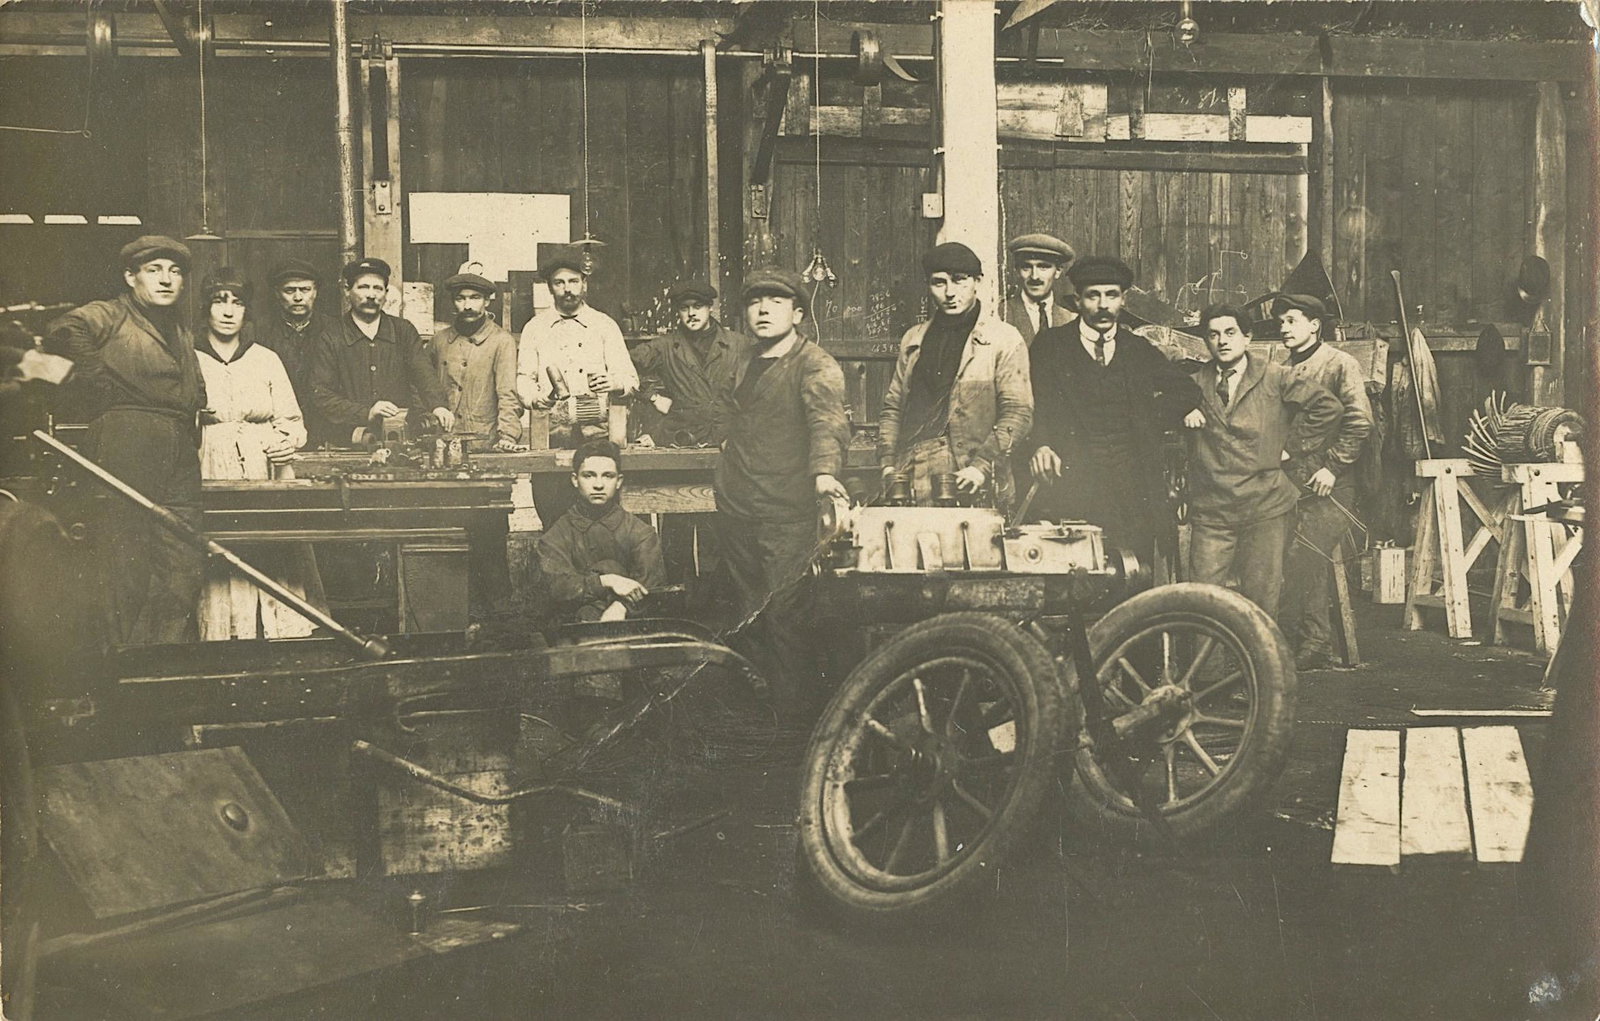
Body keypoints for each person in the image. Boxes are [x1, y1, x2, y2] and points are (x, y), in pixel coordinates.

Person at [47, 235, 207, 644]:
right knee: (124, 556)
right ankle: (121, 661)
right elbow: (64, 329)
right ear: (130, 277)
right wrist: (98, 382)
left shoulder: (178, 327)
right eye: (154, 270)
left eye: (174, 272)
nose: (166, 279)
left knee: (183, 558)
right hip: (128, 438)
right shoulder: (112, 313)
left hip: (179, 445)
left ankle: (159, 656)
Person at [715, 267, 849, 713]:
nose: (763, 310)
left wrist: (824, 474)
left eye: (776, 302)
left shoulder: (815, 364)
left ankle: (793, 722)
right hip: (738, 507)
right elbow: (726, 410)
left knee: (786, 617)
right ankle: (758, 717)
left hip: (787, 512)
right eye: (755, 302)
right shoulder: (742, 360)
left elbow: (828, 424)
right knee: (746, 614)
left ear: (797, 313)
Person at [1023, 255, 1201, 567]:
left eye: (1111, 295)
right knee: (1075, 575)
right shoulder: (1050, 346)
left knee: (1133, 574)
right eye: (1093, 295)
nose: (1103, 305)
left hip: (1132, 489)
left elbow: (1188, 391)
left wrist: (1144, 420)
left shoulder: (1137, 349)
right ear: (1078, 300)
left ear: (1123, 300)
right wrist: (1042, 444)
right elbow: (1032, 403)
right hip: (1073, 486)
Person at [1183, 303, 1342, 616]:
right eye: (1213, 335)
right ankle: (1209, 652)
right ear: (1206, 341)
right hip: (1212, 509)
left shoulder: (1275, 376)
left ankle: (1260, 650)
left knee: (1261, 602)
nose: (1222, 341)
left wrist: (1290, 447)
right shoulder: (1194, 384)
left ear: (1247, 337)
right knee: (1203, 604)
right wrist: (1182, 408)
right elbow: (1157, 406)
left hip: (1265, 506)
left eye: (1230, 332)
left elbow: (1328, 408)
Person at [192, 268, 320, 640]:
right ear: (206, 308)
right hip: (210, 463)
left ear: (247, 310)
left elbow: (292, 420)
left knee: (271, 548)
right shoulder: (189, 358)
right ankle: (228, 633)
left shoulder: (265, 358)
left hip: (265, 466)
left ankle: (277, 631)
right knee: (221, 550)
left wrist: (286, 442)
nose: (228, 311)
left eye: (237, 302)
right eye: (219, 301)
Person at [878, 241, 1032, 511]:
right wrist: (888, 464)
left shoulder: (1003, 339)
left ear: (977, 281)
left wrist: (981, 467)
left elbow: (1018, 413)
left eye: (960, 280)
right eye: (939, 283)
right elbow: (893, 407)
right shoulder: (913, 339)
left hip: (970, 478)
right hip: (911, 473)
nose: (950, 292)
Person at [1274, 293, 1374, 669]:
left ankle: (1302, 641)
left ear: (1315, 325)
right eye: (1281, 322)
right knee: (1283, 552)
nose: (1284, 328)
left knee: (1305, 553)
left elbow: (1359, 422)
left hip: (1335, 483)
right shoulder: (1283, 368)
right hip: (1294, 482)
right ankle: (1307, 640)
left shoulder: (1339, 364)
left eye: (1292, 321)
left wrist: (1333, 467)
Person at [306, 257, 454, 446]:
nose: (371, 295)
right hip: (349, 439)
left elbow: (423, 373)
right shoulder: (331, 336)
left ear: (386, 293)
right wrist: (367, 412)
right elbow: (322, 394)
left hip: (402, 437)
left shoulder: (403, 331)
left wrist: (438, 406)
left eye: (378, 288)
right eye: (363, 287)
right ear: (347, 291)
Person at [516, 245, 639, 439]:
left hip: (599, 434)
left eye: (573, 281)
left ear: (584, 284)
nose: (567, 289)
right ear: (550, 288)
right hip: (552, 434)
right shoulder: (535, 328)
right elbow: (524, 379)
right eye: (559, 283)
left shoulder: (604, 325)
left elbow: (631, 381)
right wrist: (535, 398)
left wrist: (614, 383)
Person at [536, 439, 666, 622]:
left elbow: (651, 586)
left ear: (619, 481)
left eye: (608, 476)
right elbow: (558, 588)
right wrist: (606, 581)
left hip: (630, 625)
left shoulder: (641, 533)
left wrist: (620, 607)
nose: (598, 485)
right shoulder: (556, 536)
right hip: (574, 627)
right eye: (589, 475)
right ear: (575, 480)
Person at [628, 278, 747, 447]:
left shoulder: (739, 345)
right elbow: (622, 365)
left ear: (710, 307)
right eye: (684, 308)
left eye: (698, 306)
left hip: (729, 439)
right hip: (680, 439)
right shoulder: (666, 346)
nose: (691, 313)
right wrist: (652, 397)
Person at [429, 271, 521, 452]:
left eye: (475, 298)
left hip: (484, 443)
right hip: (443, 443)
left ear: (487, 301)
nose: (467, 306)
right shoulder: (438, 341)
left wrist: (508, 436)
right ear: (453, 302)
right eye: (460, 299)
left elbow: (508, 394)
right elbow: (423, 387)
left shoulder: (502, 341)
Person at [250, 257, 338, 444]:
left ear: (315, 292)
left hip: (328, 430)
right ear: (277, 293)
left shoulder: (334, 330)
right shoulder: (258, 332)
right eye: (289, 290)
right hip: (278, 432)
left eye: (305, 290)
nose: (298, 297)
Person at [1002, 233, 1077, 345]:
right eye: (1026, 267)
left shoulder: (1070, 319)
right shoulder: (1001, 315)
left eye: (1043, 267)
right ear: (1017, 271)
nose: (1034, 276)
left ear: (1058, 271)